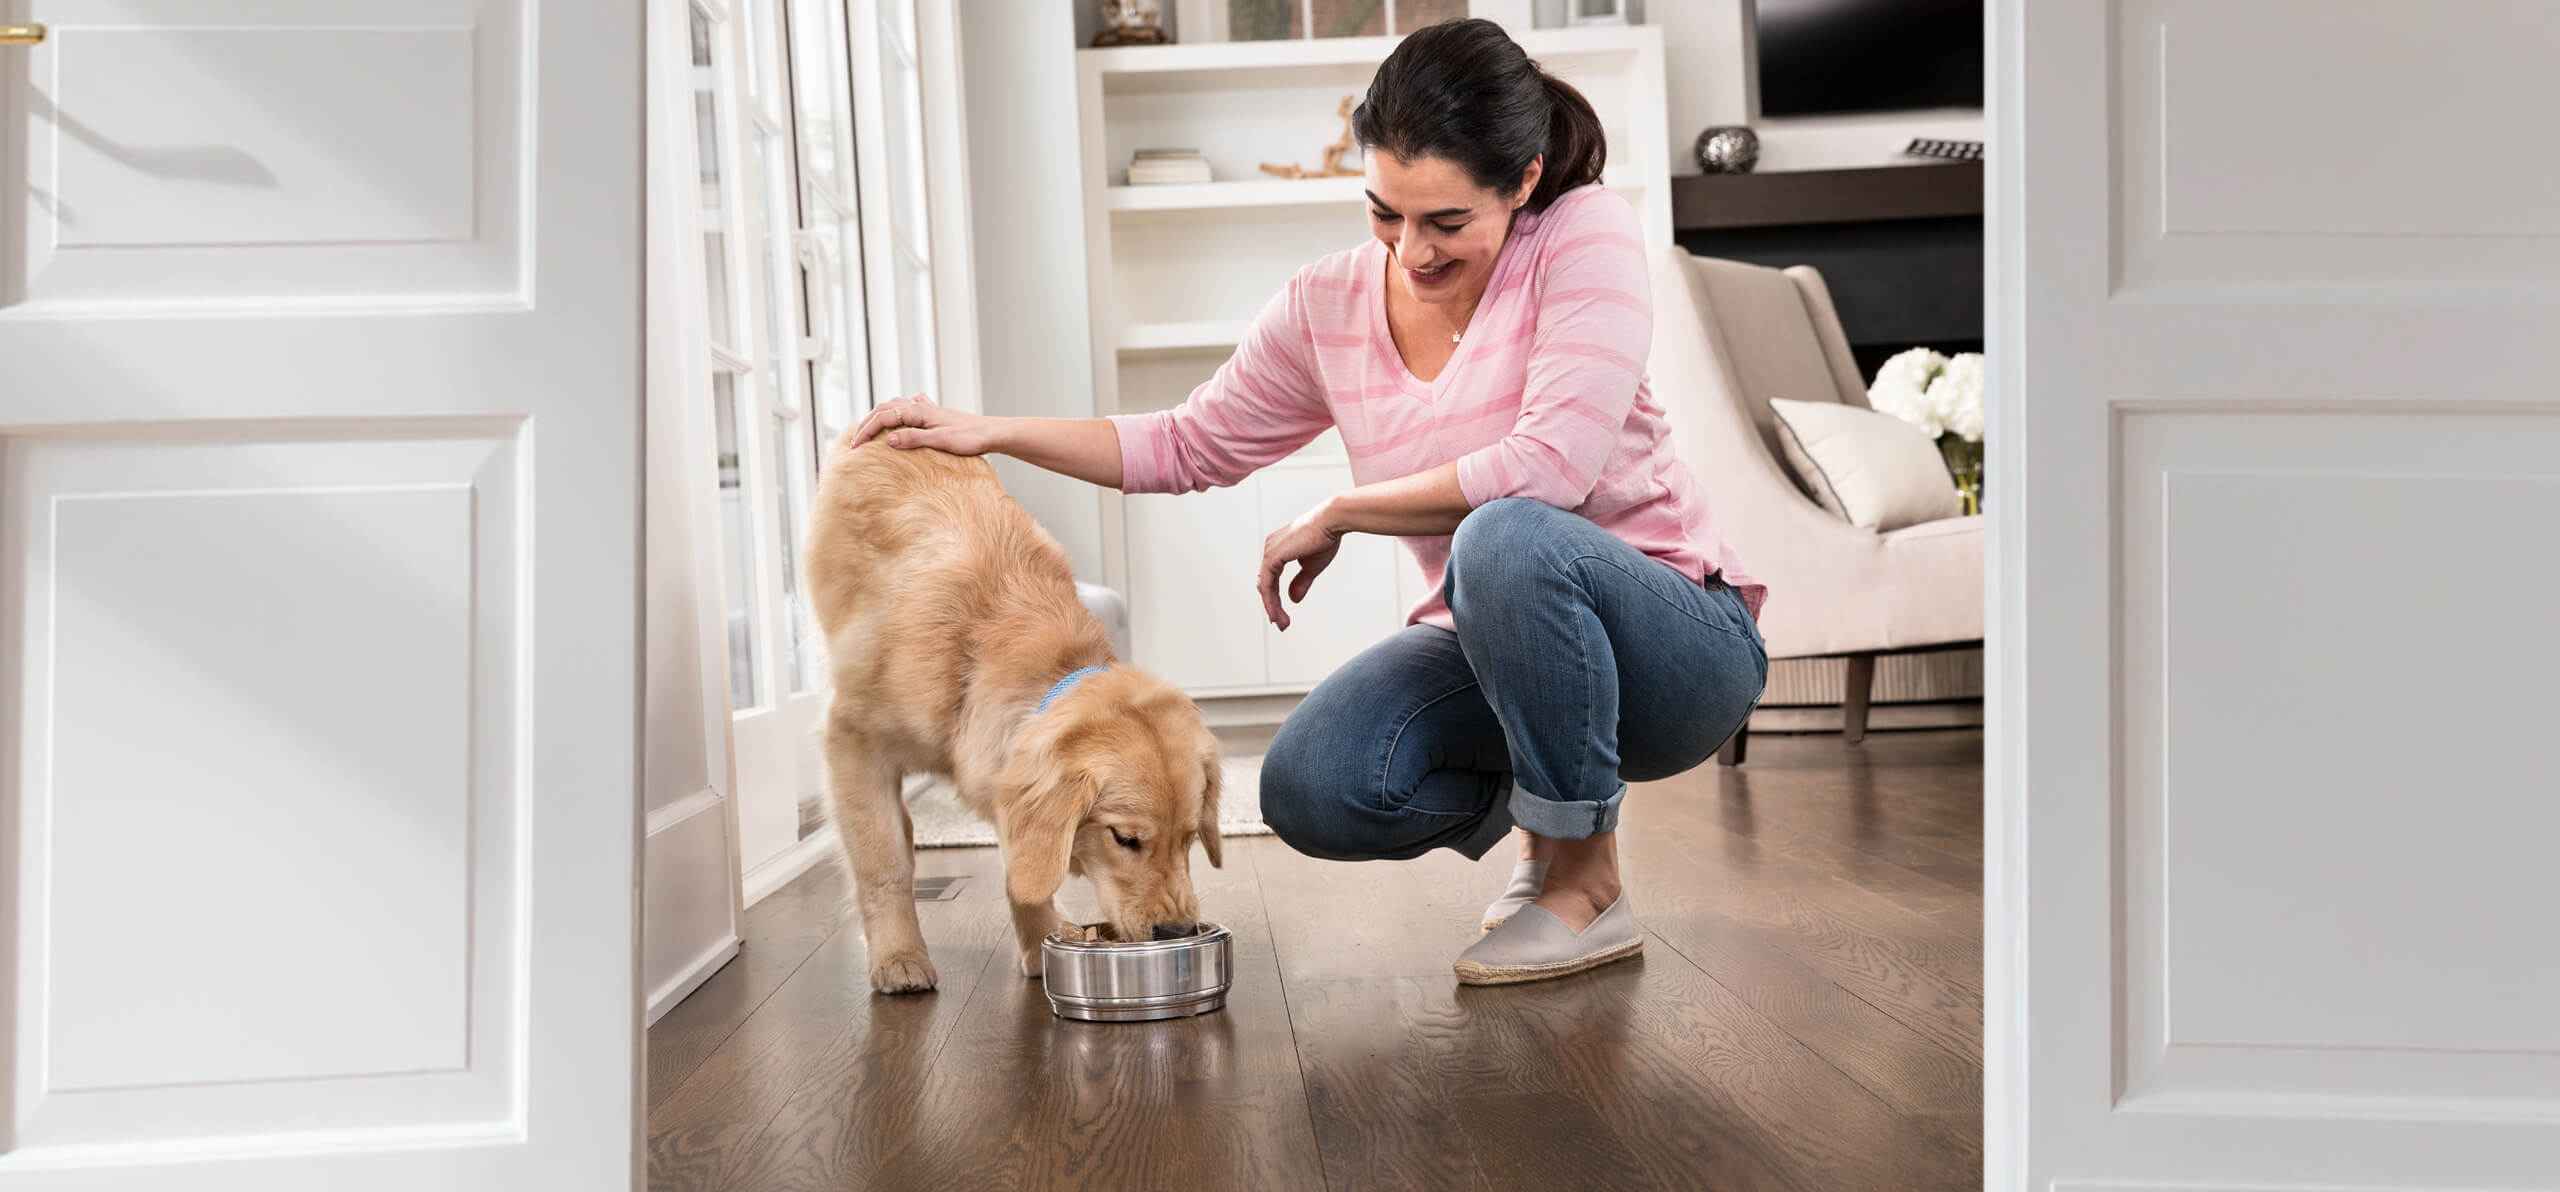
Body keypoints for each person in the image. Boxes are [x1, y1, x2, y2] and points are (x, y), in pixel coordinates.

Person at [848, 18, 1767, 985]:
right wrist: (990, 431)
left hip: (1677, 651)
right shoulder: (1328, 307)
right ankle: (1547, 816)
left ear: (1525, 181)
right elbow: (1186, 442)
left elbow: (1553, 467)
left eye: (1445, 222)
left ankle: (1584, 881)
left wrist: (1342, 509)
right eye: (1385, 214)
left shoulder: (1584, 234)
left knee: (1504, 537)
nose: (1411, 252)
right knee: (1314, 786)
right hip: (1499, 650)